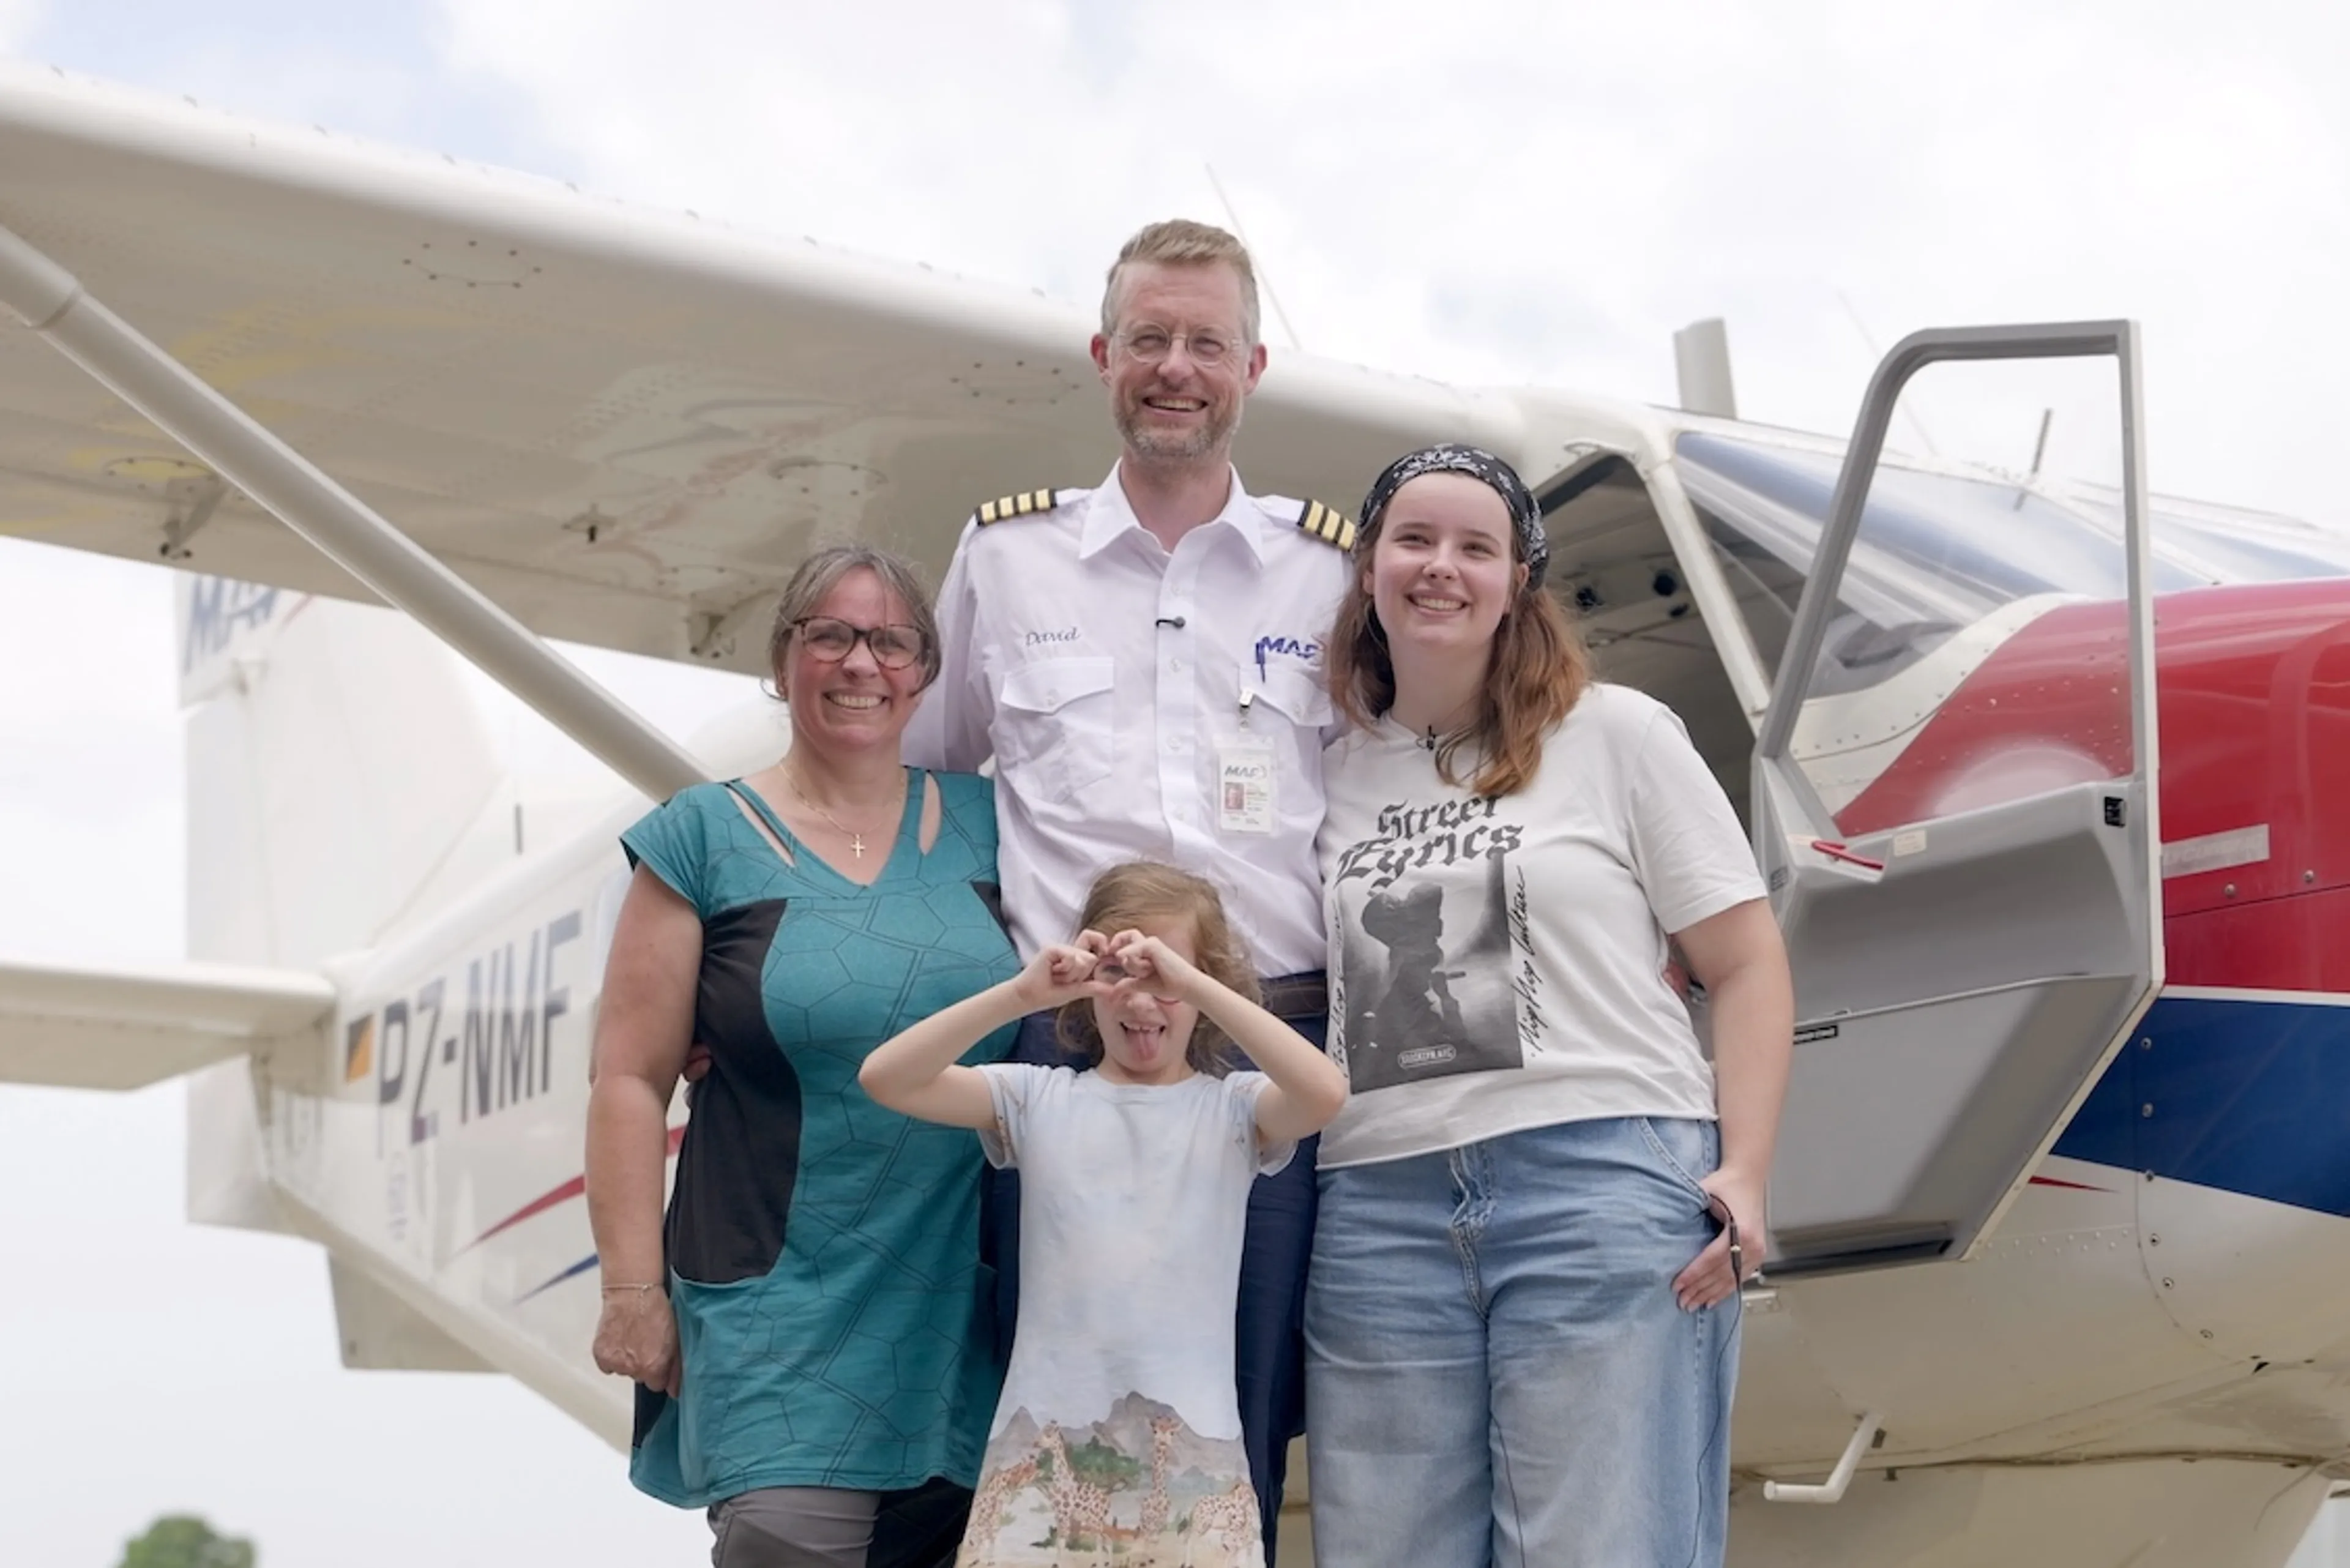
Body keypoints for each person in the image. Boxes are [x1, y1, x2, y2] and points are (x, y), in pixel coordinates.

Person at [901, 217, 1352, 1554]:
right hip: (1073, 1036)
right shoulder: (1007, 556)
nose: (1176, 367)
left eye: (1204, 343)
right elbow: (926, 790)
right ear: (1104, 356)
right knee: (1056, 1406)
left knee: (1242, 1406)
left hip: (1270, 1038)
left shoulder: (1324, 573)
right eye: (1149, 339)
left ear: (1252, 365)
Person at [1306, 444, 1795, 1568]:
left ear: (1518, 577)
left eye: (1477, 546)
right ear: (1369, 567)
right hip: (1378, 1205)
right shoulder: (1327, 771)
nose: (1442, 567)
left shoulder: (1617, 732)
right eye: (1414, 540)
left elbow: (1748, 961)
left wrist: (1747, 1168)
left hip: (1602, 1179)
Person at [585, 545, 1021, 1568]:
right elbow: (630, 1080)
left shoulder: (997, 830)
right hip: (775, 1306)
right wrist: (631, 1292)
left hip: (968, 1311)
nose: (858, 660)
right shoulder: (699, 839)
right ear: (783, 664)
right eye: (827, 633)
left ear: (923, 671)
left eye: (888, 639)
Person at [857, 862, 1349, 1567]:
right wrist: (1021, 995)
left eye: (1165, 978)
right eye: (1122, 976)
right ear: (1088, 988)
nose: (1143, 1001)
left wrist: (1199, 982)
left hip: (1193, 1475)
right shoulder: (1036, 1099)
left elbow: (1324, 1092)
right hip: (1041, 1468)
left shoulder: (1235, 1108)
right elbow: (887, 1076)